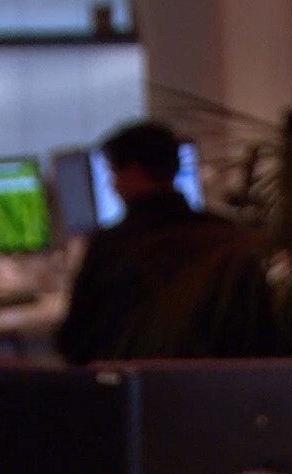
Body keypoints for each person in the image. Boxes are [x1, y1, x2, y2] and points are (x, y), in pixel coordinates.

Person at [56, 120, 274, 363]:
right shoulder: (227, 235)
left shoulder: (112, 246)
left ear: (134, 172)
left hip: (140, 383)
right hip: (225, 382)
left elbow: (76, 341)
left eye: (114, 174)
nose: (113, 185)